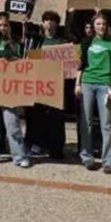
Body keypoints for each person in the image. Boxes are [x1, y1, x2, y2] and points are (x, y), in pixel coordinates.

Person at [0, 15, 31, 168]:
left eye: (5, 25)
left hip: (9, 90)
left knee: (12, 122)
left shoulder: (14, 43)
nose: (3, 28)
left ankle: (19, 156)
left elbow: (19, 62)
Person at [76, 13, 111, 173]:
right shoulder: (87, 42)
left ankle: (108, 160)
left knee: (106, 124)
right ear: (93, 26)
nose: (101, 26)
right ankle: (87, 157)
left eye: (103, 24)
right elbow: (81, 65)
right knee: (86, 121)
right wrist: (77, 84)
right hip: (87, 82)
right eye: (98, 24)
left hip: (105, 85)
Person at [25, 10, 68, 160]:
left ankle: (56, 148)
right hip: (38, 84)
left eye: (52, 20)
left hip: (56, 84)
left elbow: (70, 63)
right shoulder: (37, 41)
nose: (49, 23)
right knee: (37, 116)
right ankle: (37, 145)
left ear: (57, 23)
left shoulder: (62, 41)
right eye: (46, 20)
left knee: (56, 118)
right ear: (42, 23)